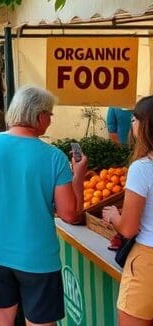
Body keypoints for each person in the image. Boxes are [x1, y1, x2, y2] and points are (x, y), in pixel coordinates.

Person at [0, 85, 88, 326]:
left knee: (0, 314)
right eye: (49, 114)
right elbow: (70, 214)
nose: (50, 120)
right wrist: (78, 176)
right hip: (37, 256)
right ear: (39, 115)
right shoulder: (54, 157)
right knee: (39, 321)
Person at [103, 96, 153, 325]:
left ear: (144, 125)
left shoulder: (142, 168)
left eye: (133, 120)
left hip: (147, 261)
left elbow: (129, 228)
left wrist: (115, 216)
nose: (131, 125)